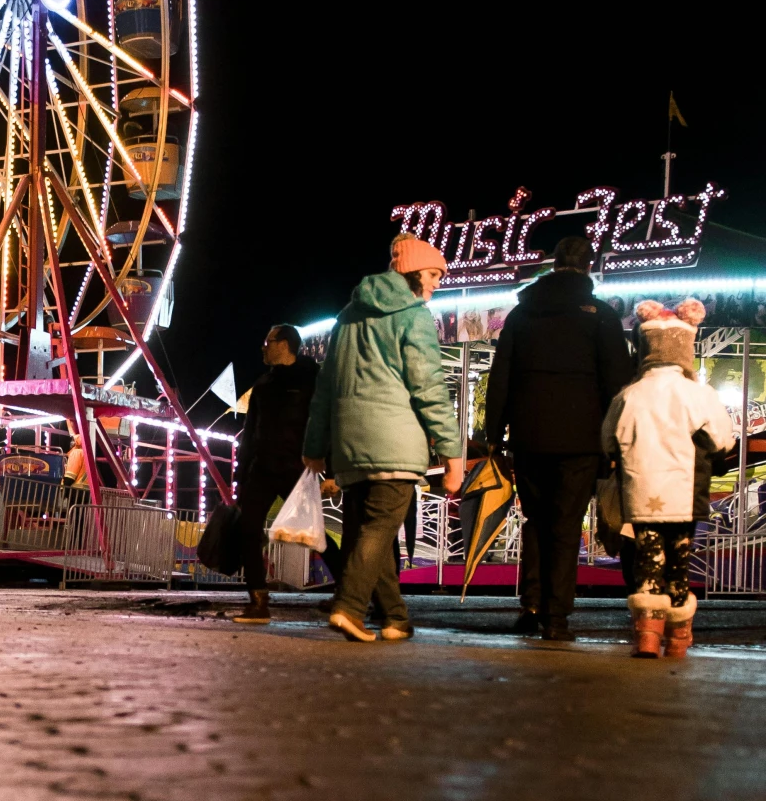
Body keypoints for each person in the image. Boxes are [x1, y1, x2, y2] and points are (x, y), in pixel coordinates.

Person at [303, 233, 464, 643]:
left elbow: (326, 387)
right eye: (431, 274)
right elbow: (429, 388)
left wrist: (315, 447)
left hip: (350, 447)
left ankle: (395, 617)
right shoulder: (413, 317)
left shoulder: (347, 317)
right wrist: (452, 453)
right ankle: (349, 608)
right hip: (394, 444)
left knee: (372, 533)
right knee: (378, 531)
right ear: (410, 273)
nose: (436, 283)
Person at [483, 232, 632, 642]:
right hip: (581, 440)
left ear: (553, 263)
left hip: (529, 437)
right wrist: (616, 443)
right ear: (590, 266)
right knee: (566, 524)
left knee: (536, 520)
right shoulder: (600, 315)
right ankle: (557, 616)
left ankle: (531, 603)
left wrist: (494, 435)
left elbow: (501, 378)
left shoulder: (521, 314)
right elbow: (617, 384)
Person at [601, 298, 735, 658]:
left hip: (642, 490)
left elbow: (608, 441)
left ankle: (646, 634)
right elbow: (724, 440)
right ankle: (678, 638)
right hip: (686, 490)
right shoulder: (700, 394)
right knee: (679, 559)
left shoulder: (629, 395)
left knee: (648, 557)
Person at [232, 324, 323, 623]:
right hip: (261, 468)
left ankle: (351, 591)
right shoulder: (262, 385)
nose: (263, 347)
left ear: (283, 344)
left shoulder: (312, 380)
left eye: (267, 341)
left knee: (314, 534)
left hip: (295, 469)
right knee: (248, 528)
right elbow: (250, 433)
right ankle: (258, 599)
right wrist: (240, 475)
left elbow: (325, 423)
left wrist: (328, 466)